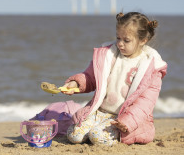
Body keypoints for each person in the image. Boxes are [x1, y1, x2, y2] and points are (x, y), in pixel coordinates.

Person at [61, 12, 167, 146]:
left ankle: (109, 133)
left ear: (143, 40)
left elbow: (145, 103)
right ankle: (95, 128)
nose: (120, 44)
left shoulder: (151, 67)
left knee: (97, 137)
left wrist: (127, 122)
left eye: (126, 40)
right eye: (118, 38)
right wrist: (76, 83)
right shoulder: (109, 55)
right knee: (74, 135)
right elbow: (91, 76)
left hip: (124, 120)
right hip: (100, 112)